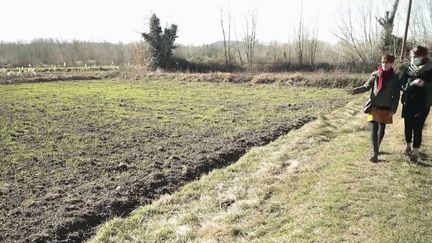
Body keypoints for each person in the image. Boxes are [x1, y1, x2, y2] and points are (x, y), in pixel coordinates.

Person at [351, 54, 400, 162]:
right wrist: (354, 90)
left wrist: (393, 110)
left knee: (381, 129)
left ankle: (377, 147)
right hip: (374, 106)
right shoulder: (375, 75)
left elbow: (396, 96)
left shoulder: (395, 78)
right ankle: (374, 153)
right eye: (383, 62)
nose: (384, 65)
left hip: (386, 106)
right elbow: (366, 87)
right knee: (374, 128)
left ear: (392, 64)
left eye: (387, 63)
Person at [400, 45, 432, 161]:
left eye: (417, 56)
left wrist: (424, 84)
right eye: (413, 56)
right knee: (408, 126)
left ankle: (415, 152)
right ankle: (408, 145)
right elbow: (402, 84)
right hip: (408, 102)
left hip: (423, 104)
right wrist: (411, 84)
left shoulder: (430, 69)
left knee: (418, 127)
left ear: (424, 56)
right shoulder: (408, 68)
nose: (414, 58)